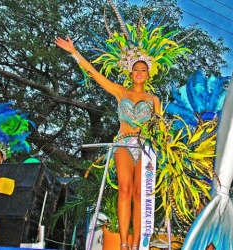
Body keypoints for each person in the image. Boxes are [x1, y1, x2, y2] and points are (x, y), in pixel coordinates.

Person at [55, 36, 160, 250]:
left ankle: (138, 243)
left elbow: (161, 128)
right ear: (131, 73)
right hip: (123, 144)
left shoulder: (154, 100)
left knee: (141, 194)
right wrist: (74, 52)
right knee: (125, 191)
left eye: (143, 70)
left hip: (146, 148)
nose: (139, 72)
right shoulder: (121, 92)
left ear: (148, 74)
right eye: (136, 69)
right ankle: (122, 243)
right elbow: (95, 74)